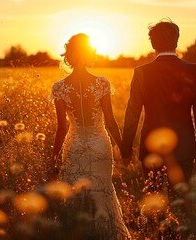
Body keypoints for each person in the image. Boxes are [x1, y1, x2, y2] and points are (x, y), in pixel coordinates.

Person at [51, 33, 131, 239]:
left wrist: (53, 156)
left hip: (74, 145)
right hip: (100, 145)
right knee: (102, 192)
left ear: (69, 55)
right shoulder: (102, 83)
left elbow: (61, 128)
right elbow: (111, 123)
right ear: (89, 54)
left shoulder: (59, 88)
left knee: (75, 194)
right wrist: (124, 148)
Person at [121, 19, 196, 191]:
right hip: (184, 148)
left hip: (151, 149)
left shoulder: (141, 73)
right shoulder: (194, 70)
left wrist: (126, 150)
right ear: (176, 41)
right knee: (182, 205)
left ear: (153, 44)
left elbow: (133, 113)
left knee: (154, 203)